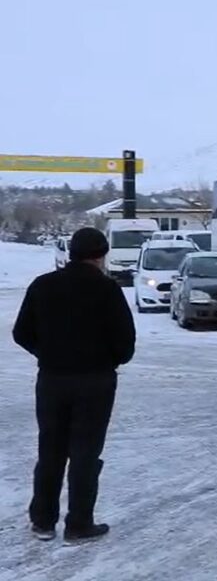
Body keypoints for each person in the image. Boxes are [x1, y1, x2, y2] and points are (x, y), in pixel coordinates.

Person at [12, 227, 136, 543]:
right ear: (101, 254)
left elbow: (21, 333)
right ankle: (79, 524)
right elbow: (125, 344)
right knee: (85, 453)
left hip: (52, 380)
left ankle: (43, 521)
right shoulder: (107, 290)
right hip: (95, 382)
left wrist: (47, 353)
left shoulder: (43, 285)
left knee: (50, 450)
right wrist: (107, 360)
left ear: (72, 253)